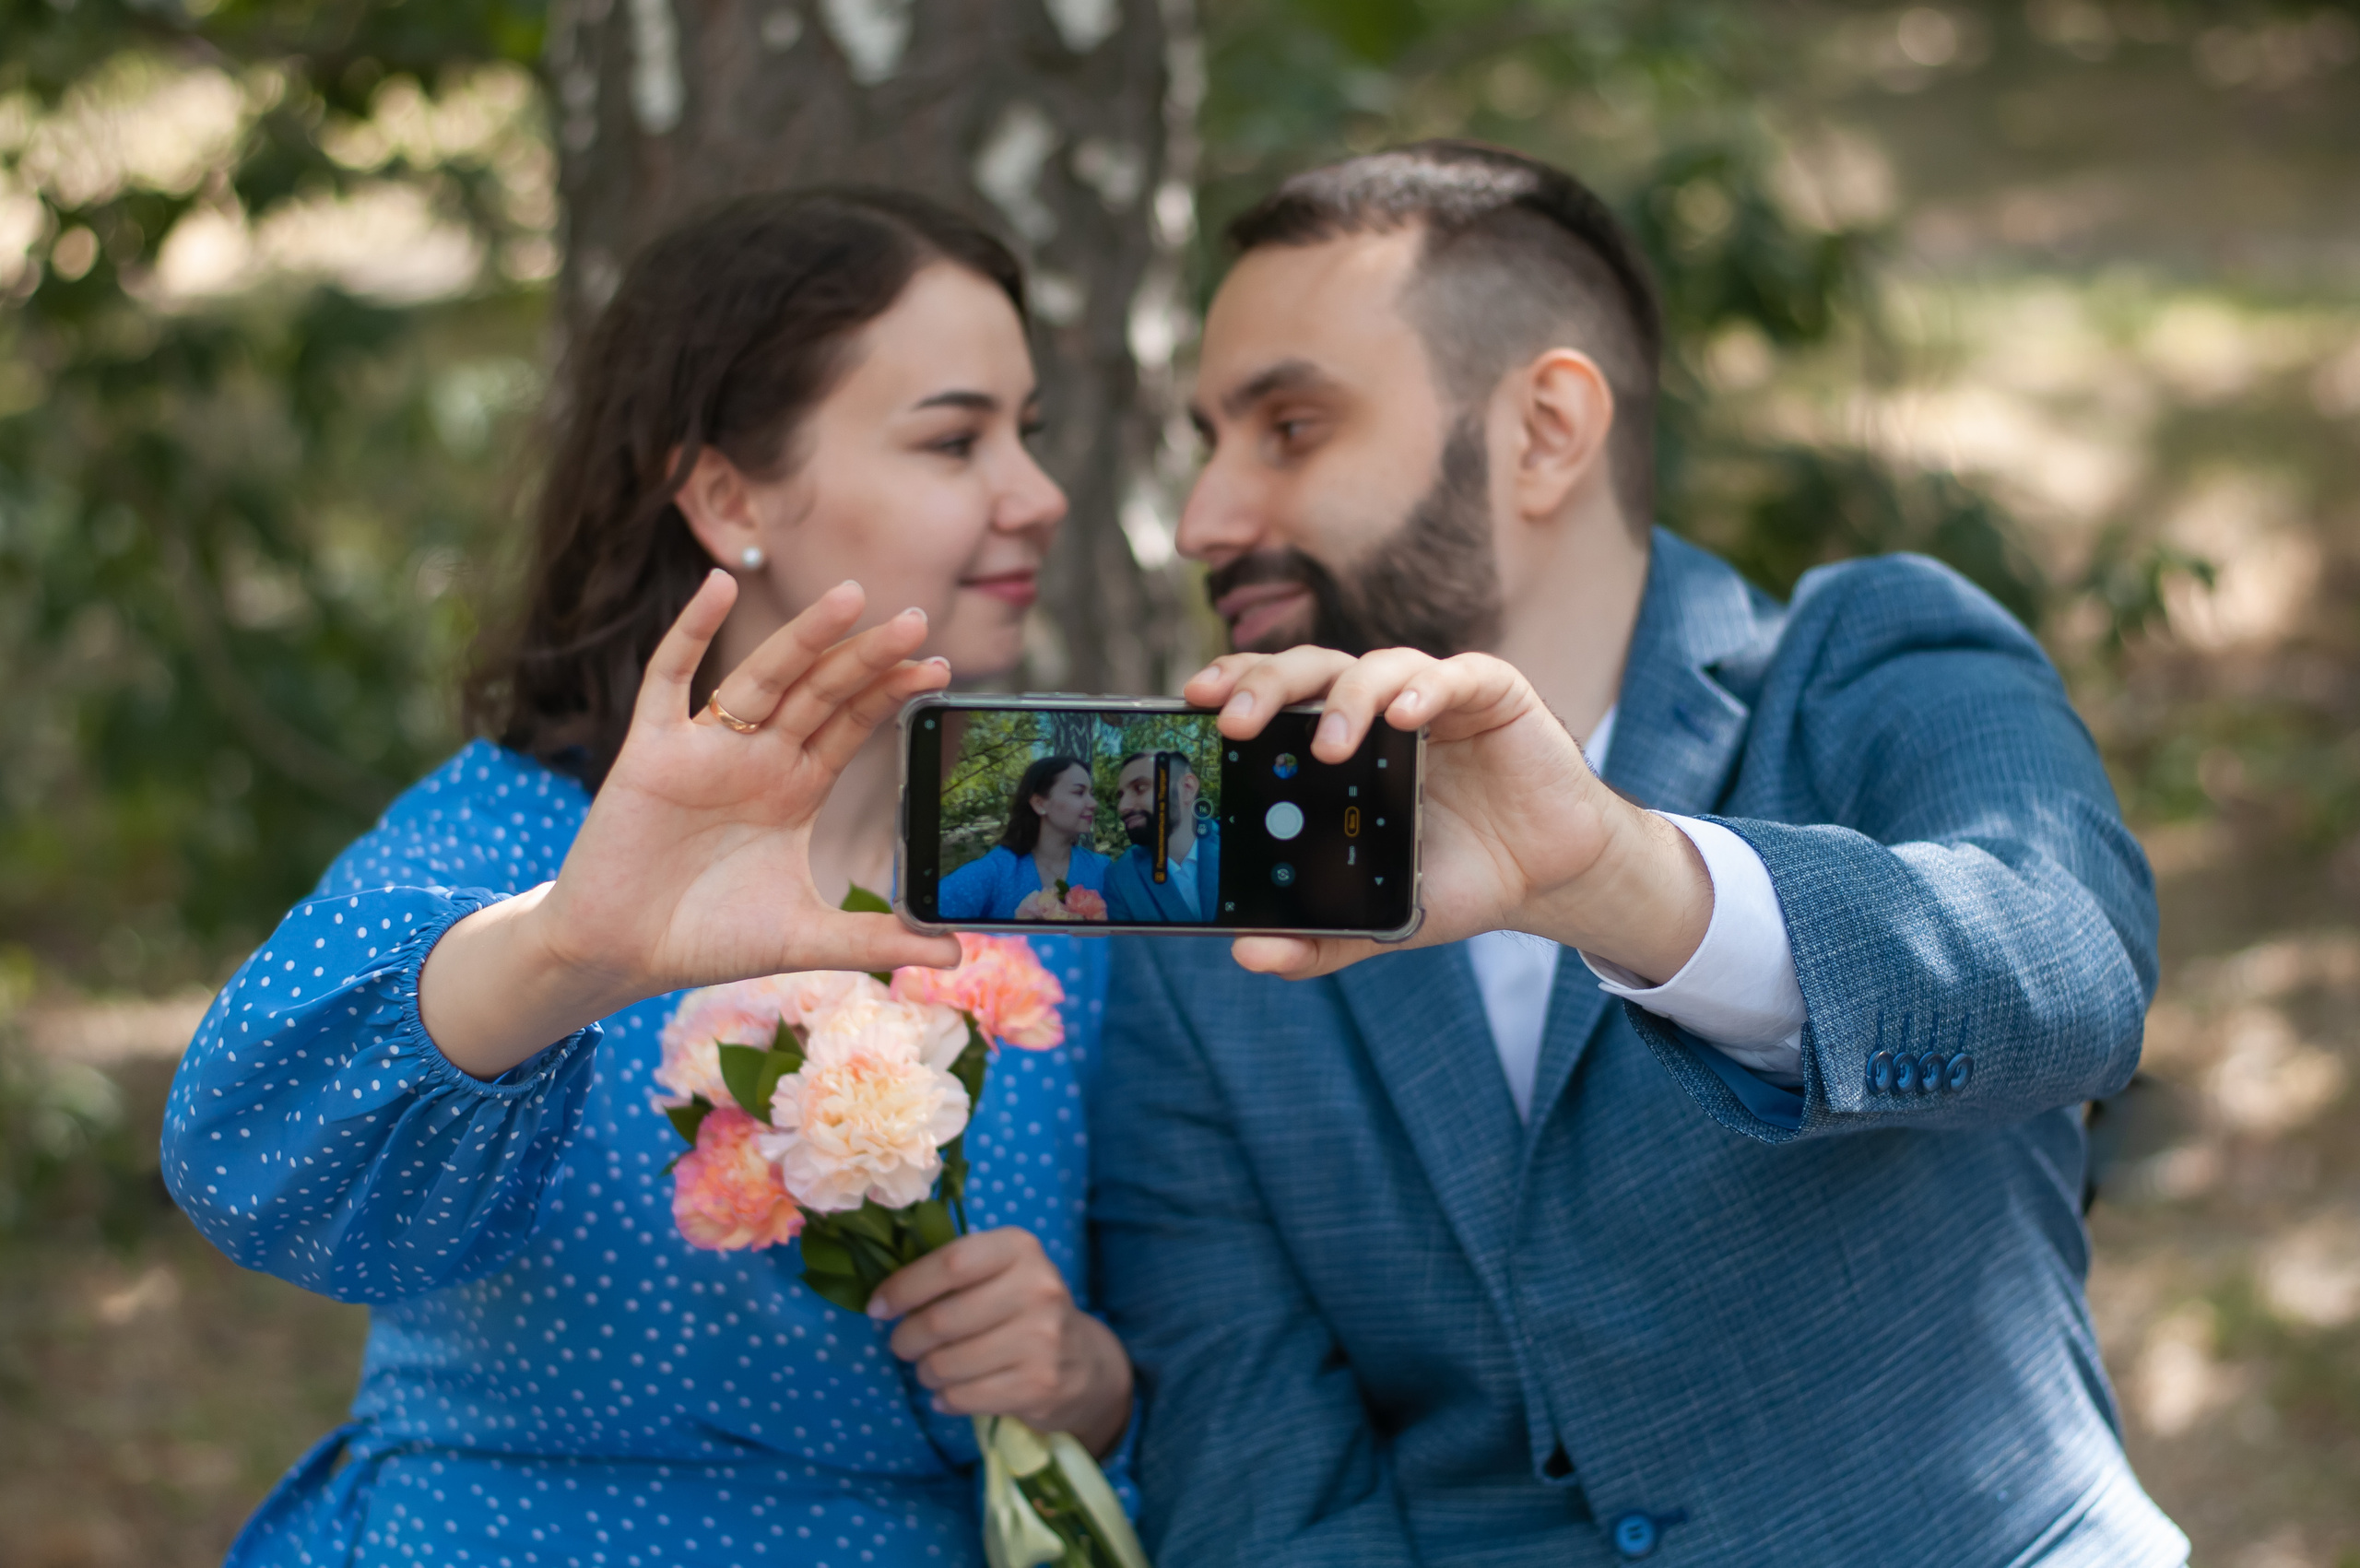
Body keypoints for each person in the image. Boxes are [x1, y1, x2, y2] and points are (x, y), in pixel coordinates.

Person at [1090, 143, 2187, 1565]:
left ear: (1545, 429)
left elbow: (2070, 981)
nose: (1203, 522)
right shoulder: (1209, 893)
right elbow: (1259, 1475)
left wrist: (1623, 877)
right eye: (1206, 443)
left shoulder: (1872, 659)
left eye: (1290, 427)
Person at [162, 189, 1135, 1568]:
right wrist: (569, 948)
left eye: (1026, 435)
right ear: (729, 494)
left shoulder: (1059, 861)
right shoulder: (512, 832)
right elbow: (245, 1154)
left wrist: (1087, 1382)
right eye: (955, 438)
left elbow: (1212, 1310)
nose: (1037, 494)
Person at [937, 754, 1111, 920]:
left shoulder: (1103, 870)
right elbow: (926, 916)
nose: (1093, 803)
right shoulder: (997, 871)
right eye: (1079, 793)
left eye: (1091, 794)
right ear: (1039, 803)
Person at [1101, 750, 1221, 924]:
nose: (1122, 806)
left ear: (1187, 789)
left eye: (1140, 788)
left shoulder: (1244, 844)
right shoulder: (1121, 877)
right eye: (1121, 795)